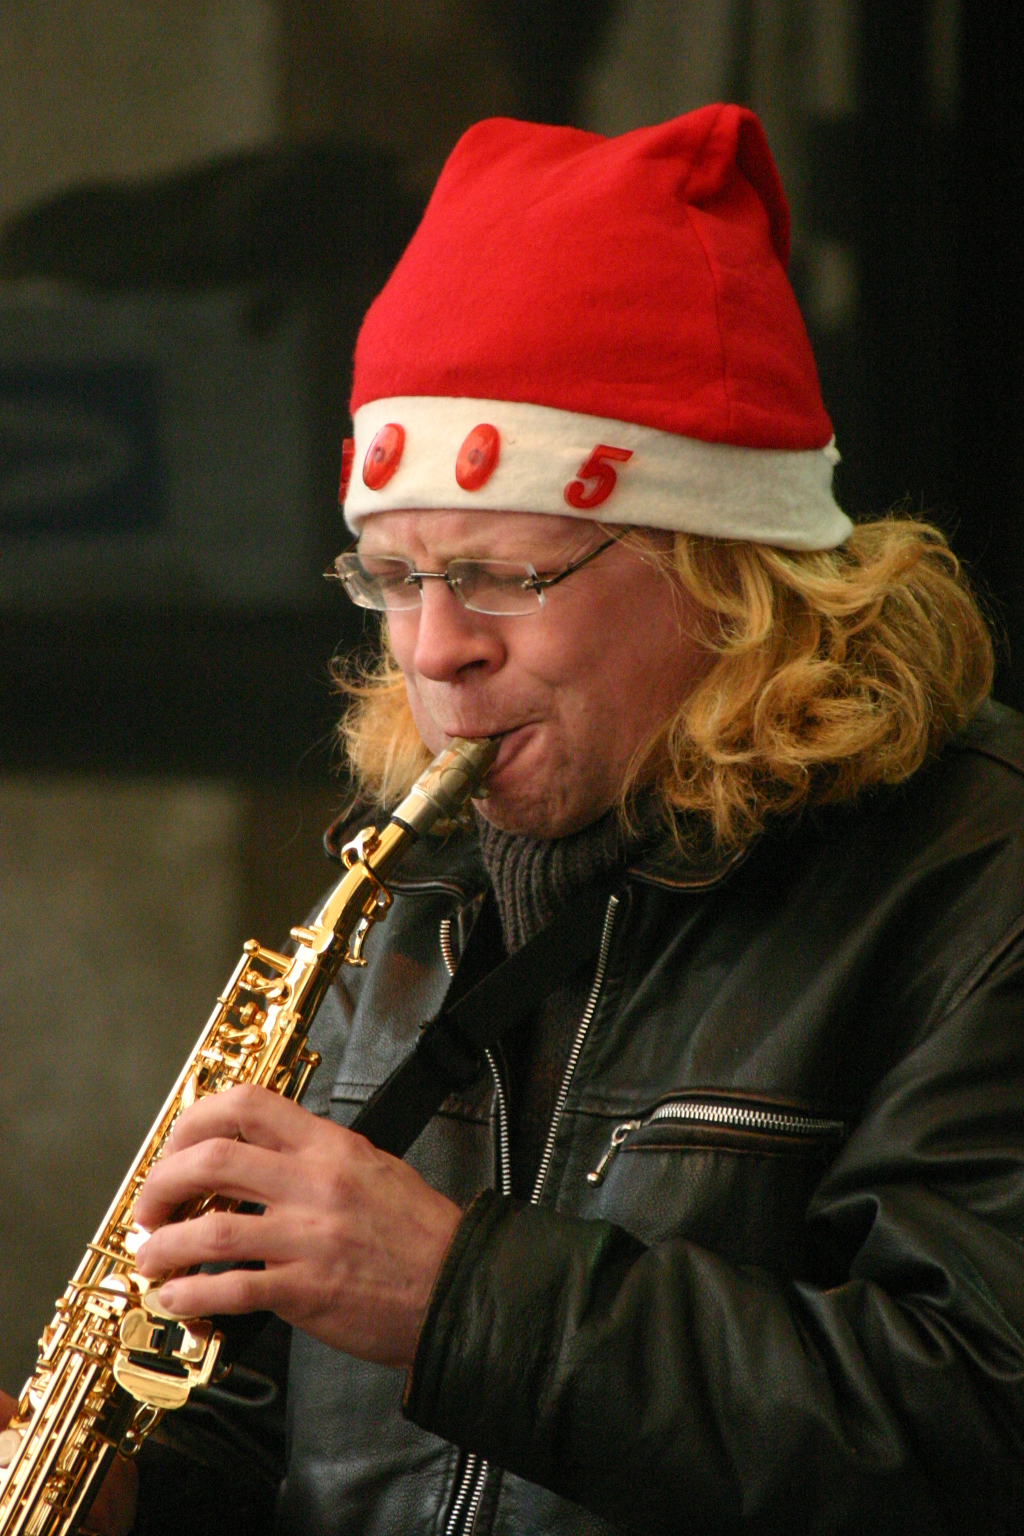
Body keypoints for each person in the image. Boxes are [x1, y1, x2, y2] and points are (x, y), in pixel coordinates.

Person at [4, 104, 1022, 1535]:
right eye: (392, 579)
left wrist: (450, 1294)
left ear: (726, 567)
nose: (436, 652)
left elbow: (976, 1425)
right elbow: (272, 1439)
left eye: (501, 575)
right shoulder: (407, 885)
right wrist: (119, 1494)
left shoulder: (974, 875)